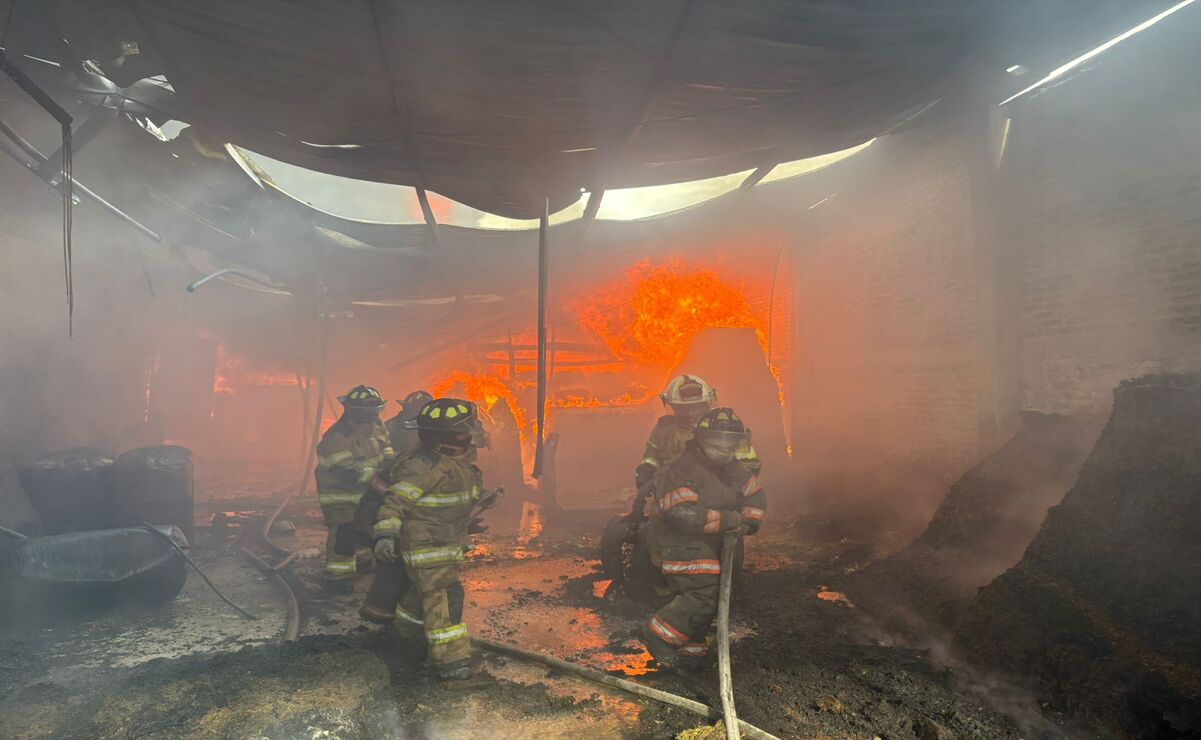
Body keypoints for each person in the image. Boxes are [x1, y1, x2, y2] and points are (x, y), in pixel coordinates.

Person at [640, 407, 767, 669]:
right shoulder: (680, 470)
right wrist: (732, 520)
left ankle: (692, 653)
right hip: (680, 545)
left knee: (715, 593)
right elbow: (684, 516)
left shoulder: (732, 468)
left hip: (713, 544)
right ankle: (657, 635)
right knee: (702, 594)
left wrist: (751, 521)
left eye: (730, 445)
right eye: (717, 444)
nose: (724, 451)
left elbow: (754, 493)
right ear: (699, 439)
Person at [372, 397, 488, 681]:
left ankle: (407, 638)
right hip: (427, 546)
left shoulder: (452, 462)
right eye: (464, 431)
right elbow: (395, 501)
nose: (469, 434)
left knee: (422, 595)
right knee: (444, 597)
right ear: (447, 435)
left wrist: (470, 518)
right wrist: (385, 534)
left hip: (445, 542)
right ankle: (451, 661)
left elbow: (443, 503)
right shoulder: (424, 466)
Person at [627, 375, 761, 521]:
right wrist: (647, 467)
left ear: (708, 403)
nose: (691, 413)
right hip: (672, 490)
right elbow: (653, 453)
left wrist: (735, 488)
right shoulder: (665, 428)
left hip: (714, 493)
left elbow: (748, 462)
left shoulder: (723, 425)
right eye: (683, 409)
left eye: (697, 407)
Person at [358, 389, 435, 622]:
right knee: (393, 549)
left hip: (411, 492)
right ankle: (382, 606)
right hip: (391, 489)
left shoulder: (430, 435)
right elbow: (376, 465)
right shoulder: (390, 428)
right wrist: (382, 487)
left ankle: (399, 606)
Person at [314, 385, 393, 584]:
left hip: (365, 491)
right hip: (339, 493)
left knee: (366, 525)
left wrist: (392, 467)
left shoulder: (377, 426)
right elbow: (344, 471)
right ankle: (339, 575)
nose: (373, 414)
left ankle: (364, 561)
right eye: (368, 410)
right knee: (344, 531)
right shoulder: (337, 436)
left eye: (376, 409)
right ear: (353, 410)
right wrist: (376, 480)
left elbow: (387, 450)